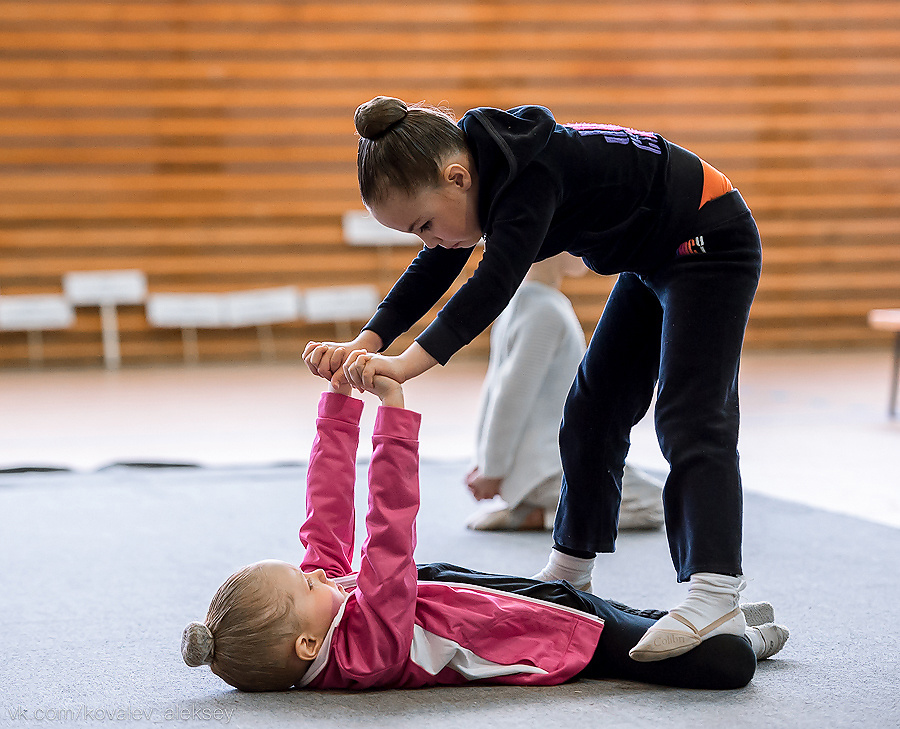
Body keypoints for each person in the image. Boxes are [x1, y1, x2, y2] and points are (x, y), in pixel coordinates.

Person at [303, 96, 763, 661]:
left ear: (457, 177)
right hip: (655, 255)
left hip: (708, 237)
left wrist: (406, 365)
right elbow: (435, 266)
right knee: (592, 410)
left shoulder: (526, 175)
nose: (430, 240)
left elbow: (491, 286)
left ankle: (716, 593)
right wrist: (367, 342)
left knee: (691, 415)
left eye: (425, 224)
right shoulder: (480, 174)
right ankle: (570, 576)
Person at [181, 367, 788, 693]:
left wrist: (339, 411)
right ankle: (736, 642)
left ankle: (711, 623)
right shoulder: (365, 651)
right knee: (712, 665)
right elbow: (388, 532)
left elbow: (325, 516)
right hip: (554, 642)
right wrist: (393, 422)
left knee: (628, 614)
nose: (318, 574)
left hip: (518, 604)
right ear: (308, 647)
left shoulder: (323, 609)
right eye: (307, 584)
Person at [465, 252, 664, 533]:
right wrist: (491, 471)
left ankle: (534, 507)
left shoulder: (517, 304)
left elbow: (496, 388)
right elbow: (510, 397)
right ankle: (546, 517)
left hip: (535, 468)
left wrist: (485, 461)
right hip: (550, 468)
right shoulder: (546, 310)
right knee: (658, 503)